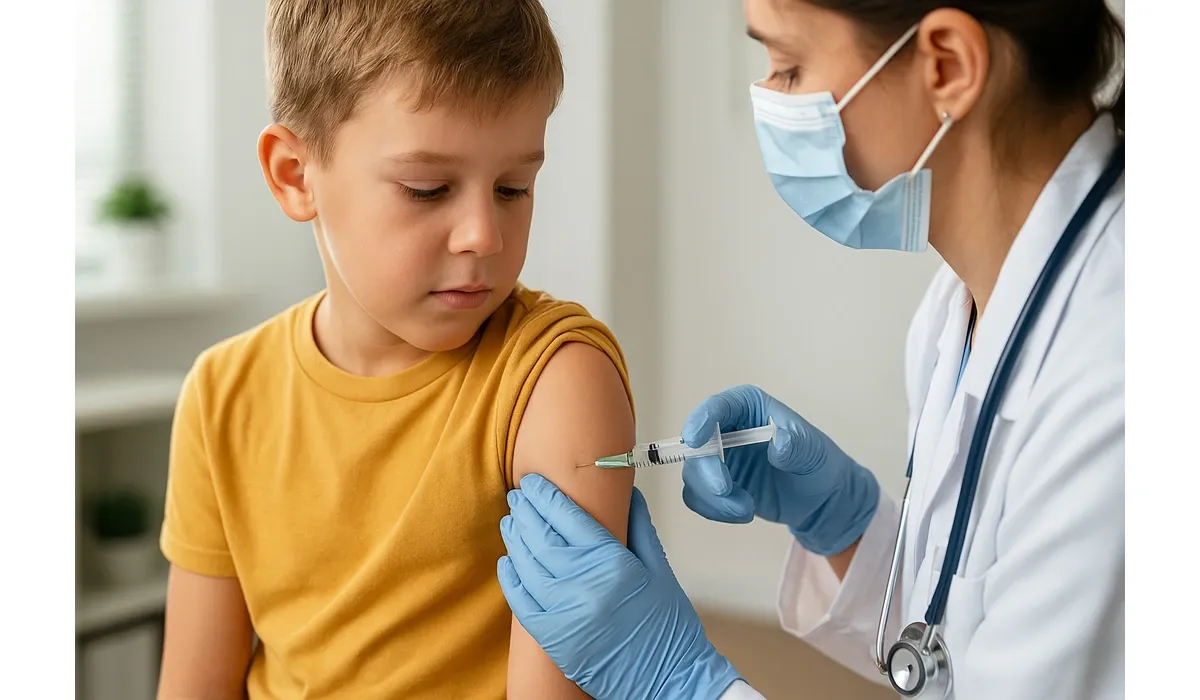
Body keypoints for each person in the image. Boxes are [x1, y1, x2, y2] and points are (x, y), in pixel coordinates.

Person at [497, 0, 1124, 699]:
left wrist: (679, 680)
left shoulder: (1117, 376)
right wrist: (849, 529)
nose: (770, 102)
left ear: (947, 64)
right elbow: (966, 639)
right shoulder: (959, 307)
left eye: (790, 66)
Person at [154, 2, 638, 698]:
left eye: (513, 188)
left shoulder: (552, 377)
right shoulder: (221, 395)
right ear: (295, 175)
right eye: (427, 188)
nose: (484, 236)